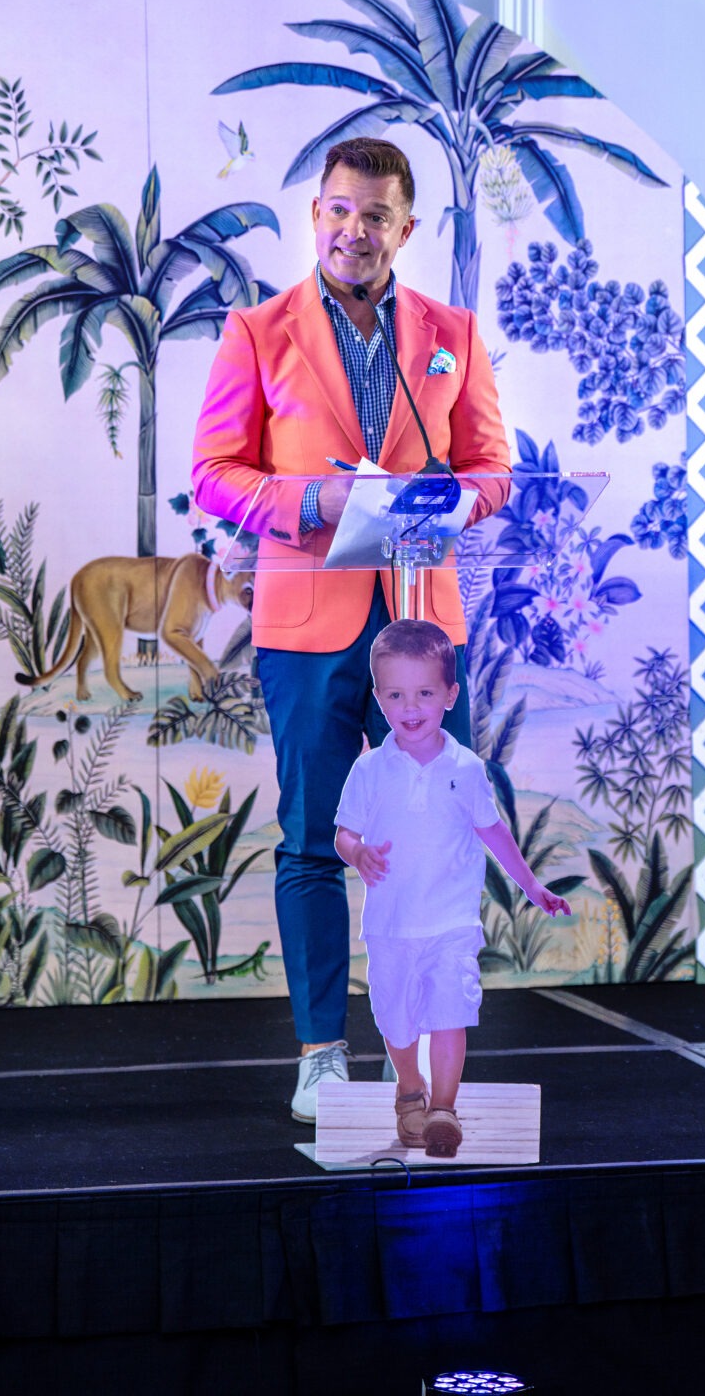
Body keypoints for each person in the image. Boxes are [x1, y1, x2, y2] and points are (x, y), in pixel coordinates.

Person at [191, 137, 512, 1122]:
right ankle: (322, 1055)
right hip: (306, 623)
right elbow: (214, 473)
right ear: (315, 216)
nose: (353, 230)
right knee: (312, 842)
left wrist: (452, 504)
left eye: (375, 215)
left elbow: (491, 466)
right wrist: (311, 498)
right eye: (338, 210)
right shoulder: (257, 331)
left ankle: (421, 1054)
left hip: (421, 629)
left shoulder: (453, 334)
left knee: (432, 841)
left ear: (404, 229)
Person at [334, 619, 571, 1158]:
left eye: (424, 693)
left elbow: (494, 832)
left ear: (450, 695)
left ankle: (443, 1109)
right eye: (396, 695)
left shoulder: (466, 767)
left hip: (451, 923)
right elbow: (344, 834)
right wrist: (358, 852)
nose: (410, 707)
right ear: (378, 698)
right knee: (396, 1021)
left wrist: (531, 886)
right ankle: (409, 1089)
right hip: (391, 926)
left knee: (449, 1014)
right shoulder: (370, 769)